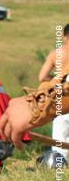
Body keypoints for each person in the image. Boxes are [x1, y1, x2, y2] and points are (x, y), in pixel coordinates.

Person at [38, 24, 68, 161]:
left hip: (61, 100)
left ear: (64, 36)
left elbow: (42, 77)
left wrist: (58, 81)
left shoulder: (56, 54)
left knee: (60, 141)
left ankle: (60, 163)